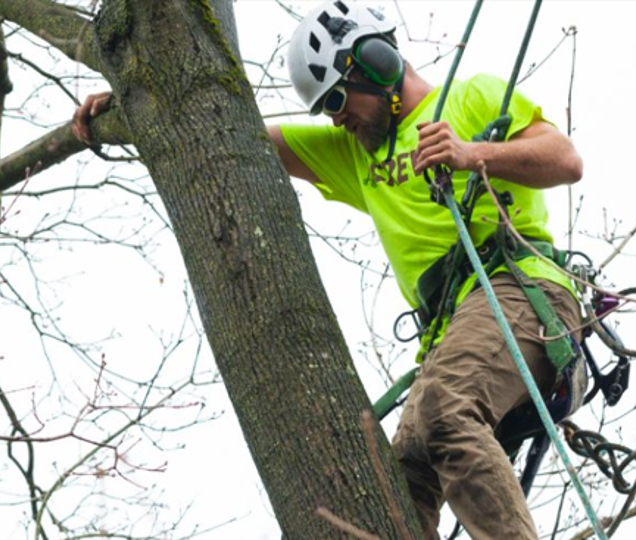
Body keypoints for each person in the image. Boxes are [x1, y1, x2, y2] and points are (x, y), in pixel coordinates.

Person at [73, 2, 583, 538]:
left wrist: (471, 152)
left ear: (377, 63)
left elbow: (564, 159)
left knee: (444, 413)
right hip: (450, 334)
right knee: (398, 486)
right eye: (325, 109)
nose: (336, 117)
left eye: (338, 98)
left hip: (519, 294)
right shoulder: (357, 154)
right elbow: (229, 133)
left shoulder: (470, 94)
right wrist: (135, 109)